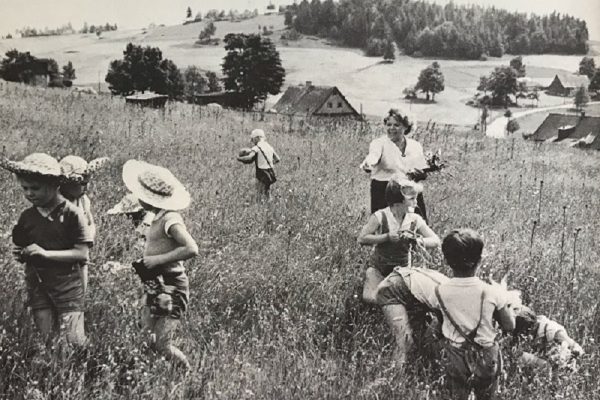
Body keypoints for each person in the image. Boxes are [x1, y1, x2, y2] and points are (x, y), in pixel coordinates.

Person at [2, 153, 93, 346]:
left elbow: (81, 253)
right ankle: (57, 371)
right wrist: (21, 254)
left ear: (54, 185)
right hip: (38, 284)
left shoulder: (72, 214)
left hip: (67, 286)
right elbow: (22, 246)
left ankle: (89, 368)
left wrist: (45, 254)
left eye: (35, 188)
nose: (29, 193)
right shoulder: (27, 216)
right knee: (49, 341)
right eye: (24, 188)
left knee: (75, 340)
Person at [122, 159, 199, 370]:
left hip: (172, 286)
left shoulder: (170, 219)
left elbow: (191, 248)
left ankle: (188, 373)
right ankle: (143, 373)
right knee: (146, 337)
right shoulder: (156, 217)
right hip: (156, 284)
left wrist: (157, 260)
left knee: (162, 344)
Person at [435, 229, 515, 400]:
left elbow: (441, 323)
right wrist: (505, 299)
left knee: (458, 395)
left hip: (454, 355)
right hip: (486, 356)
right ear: (479, 260)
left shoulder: (440, 290)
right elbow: (510, 326)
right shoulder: (492, 292)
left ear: (446, 260)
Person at [357, 177, 440, 304]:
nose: (416, 202)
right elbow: (362, 238)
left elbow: (435, 240)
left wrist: (417, 241)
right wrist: (386, 237)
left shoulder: (414, 219)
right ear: (397, 203)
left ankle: (393, 300)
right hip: (380, 268)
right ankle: (387, 298)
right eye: (411, 199)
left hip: (403, 271)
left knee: (409, 298)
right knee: (369, 297)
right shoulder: (381, 216)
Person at [360, 108, 429, 219]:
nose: (391, 128)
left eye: (396, 125)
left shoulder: (415, 146)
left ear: (406, 127)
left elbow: (423, 171)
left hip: (409, 190)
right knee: (386, 226)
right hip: (384, 190)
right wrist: (368, 164)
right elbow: (372, 157)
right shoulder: (379, 143)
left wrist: (420, 173)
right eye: (388, 125)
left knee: (416, 224)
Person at [59, 155, 109, 293]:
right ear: (67, 184)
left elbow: (90, 222)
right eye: (82, 184)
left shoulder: (83, 200)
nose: (86, 187)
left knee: (81, 289)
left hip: (81, 253)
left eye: (88, 182)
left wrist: (89, 236)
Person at [236, 128, 280, 200]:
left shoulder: (256, 148)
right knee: (267, 190)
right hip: (270, 171)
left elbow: (249, 158)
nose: (252, 142)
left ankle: (259, 204)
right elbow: (277, 159)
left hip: (261, 172)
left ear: (257, 138)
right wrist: (268, 163)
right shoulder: (269, 147)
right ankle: (269, 203)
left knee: (259, 190)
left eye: (252, 139)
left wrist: (239, 158)